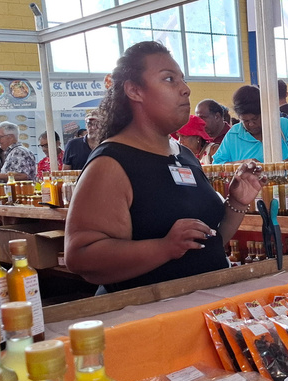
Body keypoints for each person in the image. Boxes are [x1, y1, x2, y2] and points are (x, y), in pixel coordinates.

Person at [65, 41, 262, 293]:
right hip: (147, 312)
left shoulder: (185, 155)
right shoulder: (111, 163)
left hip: (202, 306)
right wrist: (164, 247)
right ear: (134, 90)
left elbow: (209, 241)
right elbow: (81, 256)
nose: (186, 89)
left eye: (183, 80)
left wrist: (237, 202)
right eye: (169, 79)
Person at [213, 85, 288, 164]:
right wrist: (243, 163)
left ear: (265, 113)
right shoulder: (234, 134)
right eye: (245, 121)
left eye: (255, 119)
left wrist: (286, 164)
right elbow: (217, 164)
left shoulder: (282, 125)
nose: (251, 124)